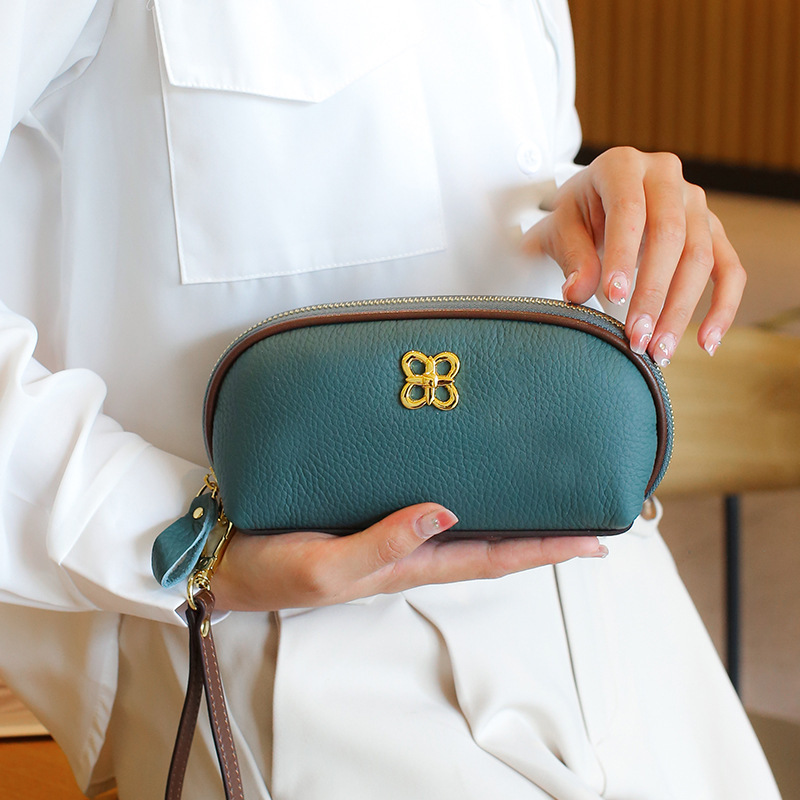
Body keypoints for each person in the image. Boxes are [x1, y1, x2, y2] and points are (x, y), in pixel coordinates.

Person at [0, 1, 779, 798]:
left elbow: (478, 170)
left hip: (608, 587)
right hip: (289, 643)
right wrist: (179, 539)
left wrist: (584, 204)